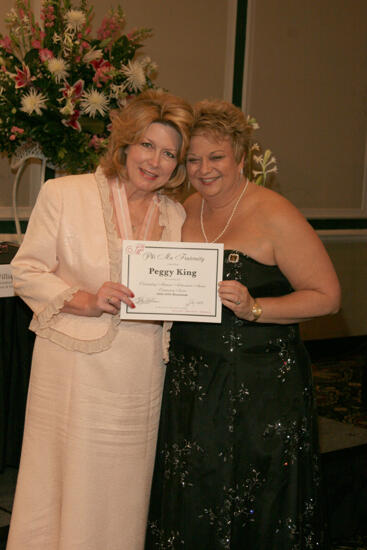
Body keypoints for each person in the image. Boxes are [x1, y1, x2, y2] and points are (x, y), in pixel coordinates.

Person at [146, 99, 341, 549]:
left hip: (261, 387)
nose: (203, 169)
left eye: (215, 157)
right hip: (192, 384)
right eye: (192, 159)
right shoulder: (183, 209)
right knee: (196, 491)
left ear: (240, 156)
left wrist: (256, 308)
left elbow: (328, 297)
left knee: (255, 496)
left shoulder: (275, 212)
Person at [7, 89, 193, 550]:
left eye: (170, 153)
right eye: (147, 145)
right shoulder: (64, 193)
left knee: (122, 488)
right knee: (61, 482)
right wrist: (85, 299)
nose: (155, 161)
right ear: (125, 144)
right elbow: (25, 270)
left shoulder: (176, 214)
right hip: (73, 369)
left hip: (140, 373)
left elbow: (178, 287)